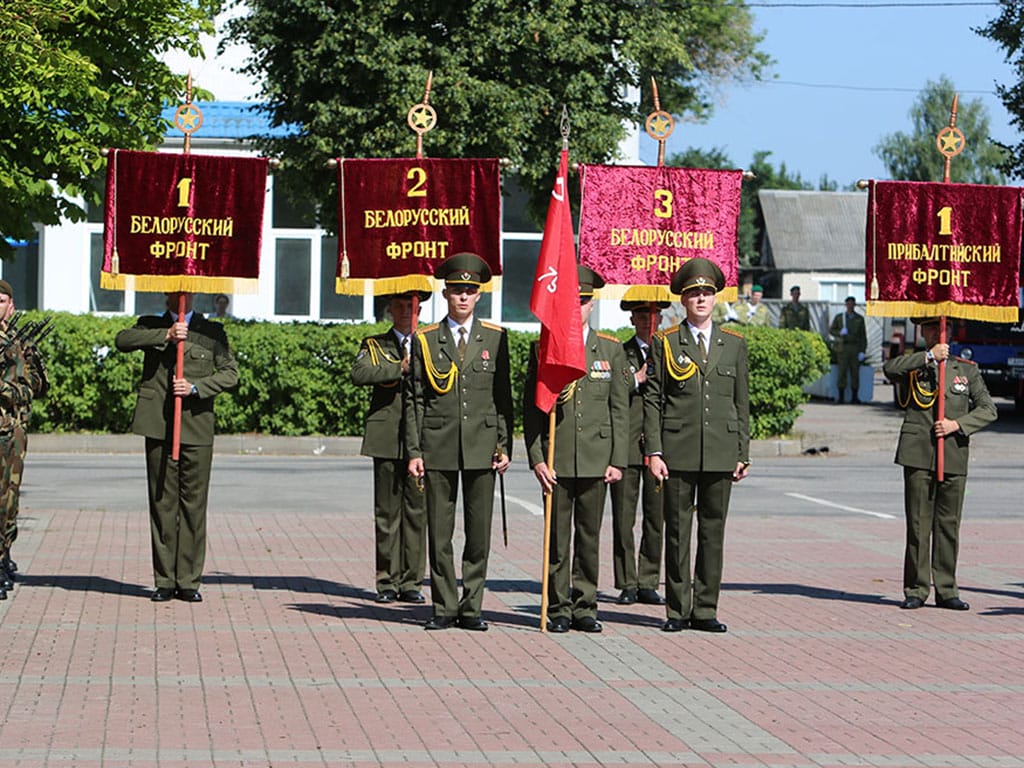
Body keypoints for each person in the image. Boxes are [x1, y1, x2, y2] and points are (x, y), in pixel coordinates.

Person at [406, 253, 513, 632]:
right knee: (439, 534)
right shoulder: (425, 339)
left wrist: (504, 445)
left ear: (478, 296)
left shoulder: (496, 338)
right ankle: (443, 607)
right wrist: (414, 451)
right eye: (456, 291)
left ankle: (472, 608)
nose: (463, 297)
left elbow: (504, 399)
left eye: (470, 291)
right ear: (445, 294)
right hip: (438, 445)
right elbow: (415, 399)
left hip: (482, 447)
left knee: (478, 534)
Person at [644, 258, 750, 634]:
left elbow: (741, 402)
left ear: (715, 298)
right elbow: (653, 400)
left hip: (720, 452)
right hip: (678, 451)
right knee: (677, 533)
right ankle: (677, 609)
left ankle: (705, 608)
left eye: (706, 293)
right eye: (694, 294)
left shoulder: (733, 344)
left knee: (712, 532)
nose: (701, 299)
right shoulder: (666, 342)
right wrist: (653, 451)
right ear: (684, 300)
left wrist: (742, 452)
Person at [524, 267, 630, 633]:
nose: (578, 308)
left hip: (596, 459)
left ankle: (586, 605)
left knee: (588, 539)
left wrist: (618, 460)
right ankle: (559, 608)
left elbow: (620, 409)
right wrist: (537, 458)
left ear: (592, 304)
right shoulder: (545, 349)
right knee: (557, 541)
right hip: (557, 458)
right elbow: (532, 411)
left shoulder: (611, 350)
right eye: (571, 301)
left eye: (584, 301)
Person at [115, 292, 238, 603]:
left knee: (194, 506)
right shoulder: (150, 325)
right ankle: (165, 580)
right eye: (173, 290)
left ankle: (188, 580)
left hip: (195, 427)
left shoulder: (211, 332)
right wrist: (167, 335)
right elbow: (123, 340)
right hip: (158, 425)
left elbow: (230, 373)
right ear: (165, 293)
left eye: (184, 291)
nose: (179, 295)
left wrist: (196, 388)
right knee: (162, 504)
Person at [882, 317, 996, 611]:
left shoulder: (966, 370)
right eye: (930, 327)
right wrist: (930, 357)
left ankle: (946, 589)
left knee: (948, 526)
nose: (935, 332)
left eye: (939, 327)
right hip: (918, 452)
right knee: (918, 524)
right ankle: (917, 589)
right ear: (922, 331)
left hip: (954, 454)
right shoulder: (915, 364)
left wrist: (957, 424)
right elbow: (888, 369)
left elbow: (988, 409)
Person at [351, 290, 429, 604]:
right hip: (386, 436)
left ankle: (412, 582)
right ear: (389, 309)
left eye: (410, 306)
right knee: (387, 514)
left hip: (421, 439)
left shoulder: (430, 342)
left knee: (416, 513)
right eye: (398, 306)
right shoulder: (374, 344)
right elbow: (360, 373)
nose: (405, 312)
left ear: (419, 309)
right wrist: (399, 368)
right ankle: (387, 581)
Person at [610, 299, 667, 607]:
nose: (649, 319)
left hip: (660, 449)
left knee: (655, 517)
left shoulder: (670, 350)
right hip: (627, 445)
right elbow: (608, 387)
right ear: (632, 318)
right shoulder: (620, 351)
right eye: (643, 313)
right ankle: (627, 581)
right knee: (623, 517)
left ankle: (648, 580)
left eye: (655, 312)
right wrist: (636, 378)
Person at [0, 281, 49, 598]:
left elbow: (38, 386)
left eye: (1, 300)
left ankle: (3, 554)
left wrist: (10, 389)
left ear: (11, 305)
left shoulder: (21, 342)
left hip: (12, 430)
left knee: (9, 498)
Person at [829, 296, 867, 403]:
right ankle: (841, 397)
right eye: (848, 304)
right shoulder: (840, 318)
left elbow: (863, 336)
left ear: (854, 305)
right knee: (842, 372)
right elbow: (832, 330)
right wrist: (840, 333)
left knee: (855, 373)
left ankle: (855, 397)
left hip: (855, 348)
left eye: (852, 304)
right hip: (843, 348)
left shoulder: (859, 319)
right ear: (845, 305)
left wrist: (862, 351)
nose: (850, 306)